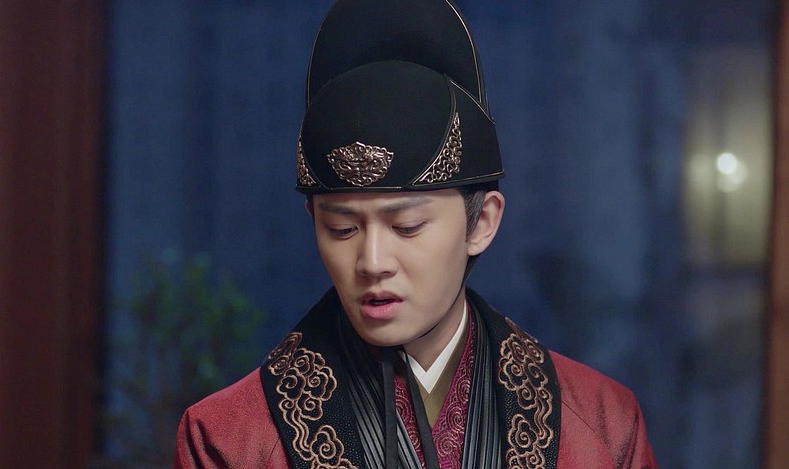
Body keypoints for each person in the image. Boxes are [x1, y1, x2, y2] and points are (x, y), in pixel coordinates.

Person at [175, 0, 658, 467]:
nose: (372, 261)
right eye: (341, 228)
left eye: (406, 226)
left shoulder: (603, 425)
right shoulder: (227, 440)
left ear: (482, 222)